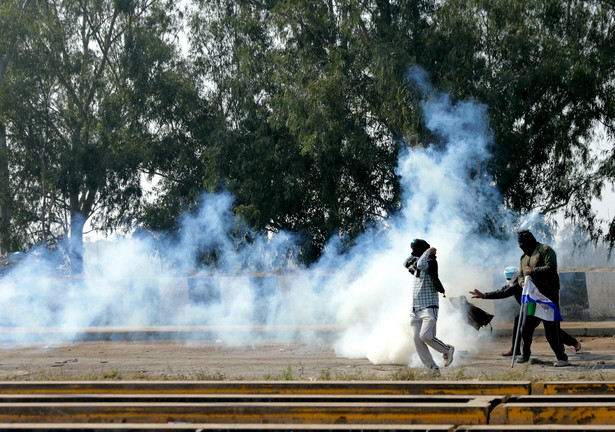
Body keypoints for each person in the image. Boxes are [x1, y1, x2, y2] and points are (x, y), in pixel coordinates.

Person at [470, 266, 581, 357]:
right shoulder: (513, 283)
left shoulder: (519, 283)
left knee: (551, 329)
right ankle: (516, 349)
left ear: (516, 275)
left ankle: (573, 342)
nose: (508, 279)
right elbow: (503, 289)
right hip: (528, 308)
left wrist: (485, 296)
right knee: (520, 321)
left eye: (510, 277)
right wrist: (485, 295)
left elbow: (504, 293)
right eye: (507, 277)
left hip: (537, 307)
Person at [515, 229, 570, 367]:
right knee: (525, 328)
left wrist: (532, 271)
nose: (520, 245)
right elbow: (521, 274)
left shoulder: (545, 250)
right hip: (532, 298)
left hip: (547, 297)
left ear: (529, 241)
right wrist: (522, 282)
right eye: (519, 243)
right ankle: (525, 355)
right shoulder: (523, 258)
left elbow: (551, 268)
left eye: (522, 242)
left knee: (551, 331)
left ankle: (562, 357)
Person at [404, 238, 454, 377]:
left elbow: (421, 264)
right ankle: (432, 368)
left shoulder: (431, 262)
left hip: (429, 307)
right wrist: (417, 253)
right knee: (417, 339)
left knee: (426, 336)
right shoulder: (416, 261)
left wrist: (427, 252)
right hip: (416, 308)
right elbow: (405, 263)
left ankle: (447, 350)